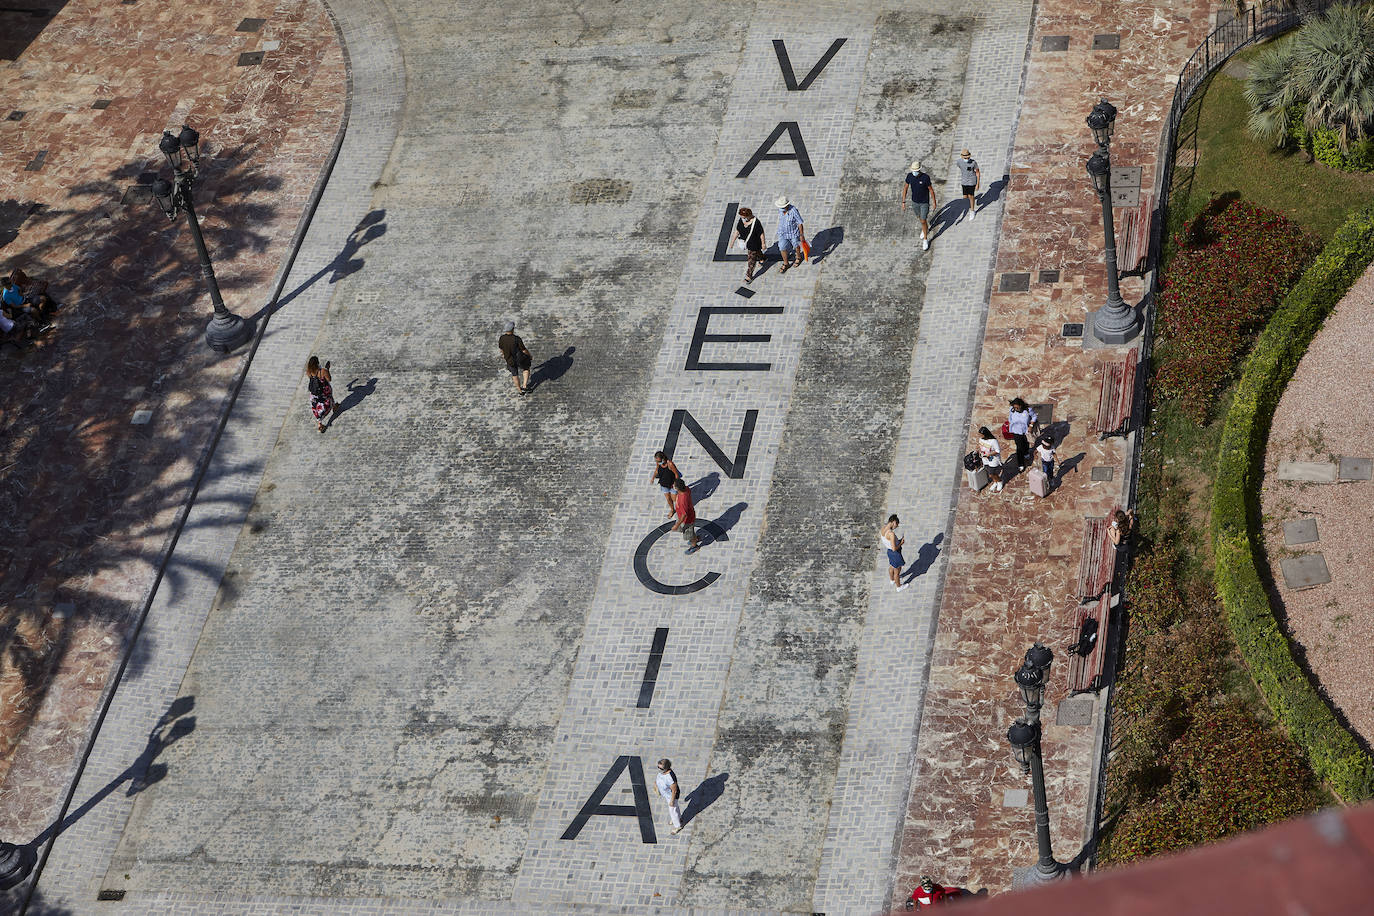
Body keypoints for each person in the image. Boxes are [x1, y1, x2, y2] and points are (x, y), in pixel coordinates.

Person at [901, 161, 937, 251]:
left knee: (923, 220)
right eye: (913, 170)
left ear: (919, 170)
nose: (914, 172)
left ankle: (925, 239)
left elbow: (931, 190)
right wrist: (903, 201)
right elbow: (905, 188)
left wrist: (934, 202)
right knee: (920, 218)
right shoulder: (909, 176)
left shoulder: (925, 178)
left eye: (916, 170)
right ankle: (925, 228)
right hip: (915, 202)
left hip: (924, 202)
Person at [731, 206, 767, 283]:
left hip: (754, 243)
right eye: (741, 217)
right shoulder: (741, 220)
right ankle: (762, 258)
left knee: (751, 260)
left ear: (749, 215)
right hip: (746, 243)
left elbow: (761, 233)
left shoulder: (756, 222)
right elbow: (737, 231)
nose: (742, 218)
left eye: (744, 217)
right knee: (757, 252)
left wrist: (763, 243)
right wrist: (732, 242)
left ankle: (749, 275)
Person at [498, 320, 533, 394]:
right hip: (519, 359)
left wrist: (504, 355)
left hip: (509, 360)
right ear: (512, 329)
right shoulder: (517, 339)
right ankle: (524, 385)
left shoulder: (502, 338)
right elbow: (523, 350)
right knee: (526, 368)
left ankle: (520, 391)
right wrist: (529, 355)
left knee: (515, 374)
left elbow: (501, 349)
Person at [774, 196, 806, 273]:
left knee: (796, 245)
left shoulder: (793, 210)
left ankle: (798, 257)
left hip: (793, 233)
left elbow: (800, 223)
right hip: (783, 233)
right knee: (782, 247)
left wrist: (801, 235)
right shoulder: (780, 210)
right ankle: (786, 263)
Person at [306, 356, 334, 433]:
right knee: (329, 399)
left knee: (317, 408)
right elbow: (329, 379)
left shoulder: (308, 371)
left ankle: (320, 424)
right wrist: (327, 369)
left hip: (314, 393)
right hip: (324, 391)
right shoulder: (323, 371)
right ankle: (334, 407)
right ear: (317, 363)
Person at [1007, 398, 1039, 467]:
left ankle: (1026, 452)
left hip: (1025, 431)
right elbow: (1010, 418)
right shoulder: (1012, 410)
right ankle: (1020, 464)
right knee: (1019, 448)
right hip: (1016, 431)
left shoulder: (1028, 410)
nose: (1016, 409)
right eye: (1014, 407)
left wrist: (1031, 425)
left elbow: (1034, 416)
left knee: (1026, 443)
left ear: (1021, 405)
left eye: (1017, 407)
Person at [655, 758, 683, 835]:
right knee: (675, 808)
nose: (659, 769)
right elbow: (658, 778)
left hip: (671, 796)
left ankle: (677, 826)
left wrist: (672, 801)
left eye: (661, 768)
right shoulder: (662, 773)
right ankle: (678, 818)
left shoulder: (670, 777)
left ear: (666, 768)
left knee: (672, 810)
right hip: (666, 794)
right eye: (658, 767)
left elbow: (674, 790)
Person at [673, 479, 700, 554]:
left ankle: (694, 546)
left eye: (674, 485)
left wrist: (677, 525)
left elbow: (684, 515)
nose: (673, 486)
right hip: (688, 516)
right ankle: (695, 538)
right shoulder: (686, 489)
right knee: (690, 533)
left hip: (687, 520)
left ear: (678, 488)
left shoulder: (683, 500)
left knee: (689, 535)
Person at [880, 514, 907, 591]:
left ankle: (892, 580)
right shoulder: (891, 534)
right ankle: (899, 587)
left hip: (889, 552)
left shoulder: (883, 529)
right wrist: (901, 543)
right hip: (894, 553)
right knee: (897, 571)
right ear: (894, 522)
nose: (896, 527)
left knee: (892, 566)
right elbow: (894, 548)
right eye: (896, 525)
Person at [955, 148, 981, 220]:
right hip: (964, 181)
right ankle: (970, 204)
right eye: (965, 157)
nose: (967, 159)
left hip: (971, 181)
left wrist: (977, 183)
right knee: (965, 197)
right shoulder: (959, 162)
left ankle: (972, 210)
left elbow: (978, 172)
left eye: (968, 157)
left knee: (971, 196)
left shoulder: (973, 163)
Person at [977, 426, 1004, 492]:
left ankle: (1000, 481)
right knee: (989, 472)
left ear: (985, 434)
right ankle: (995, 482)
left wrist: (989, 454)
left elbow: (997, 451)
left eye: (981, 434)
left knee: (992, 473)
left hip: (993, 460)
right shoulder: (981, 439)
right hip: (985, 459)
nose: (979, 436)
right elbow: (980, 446)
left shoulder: (993, 441)